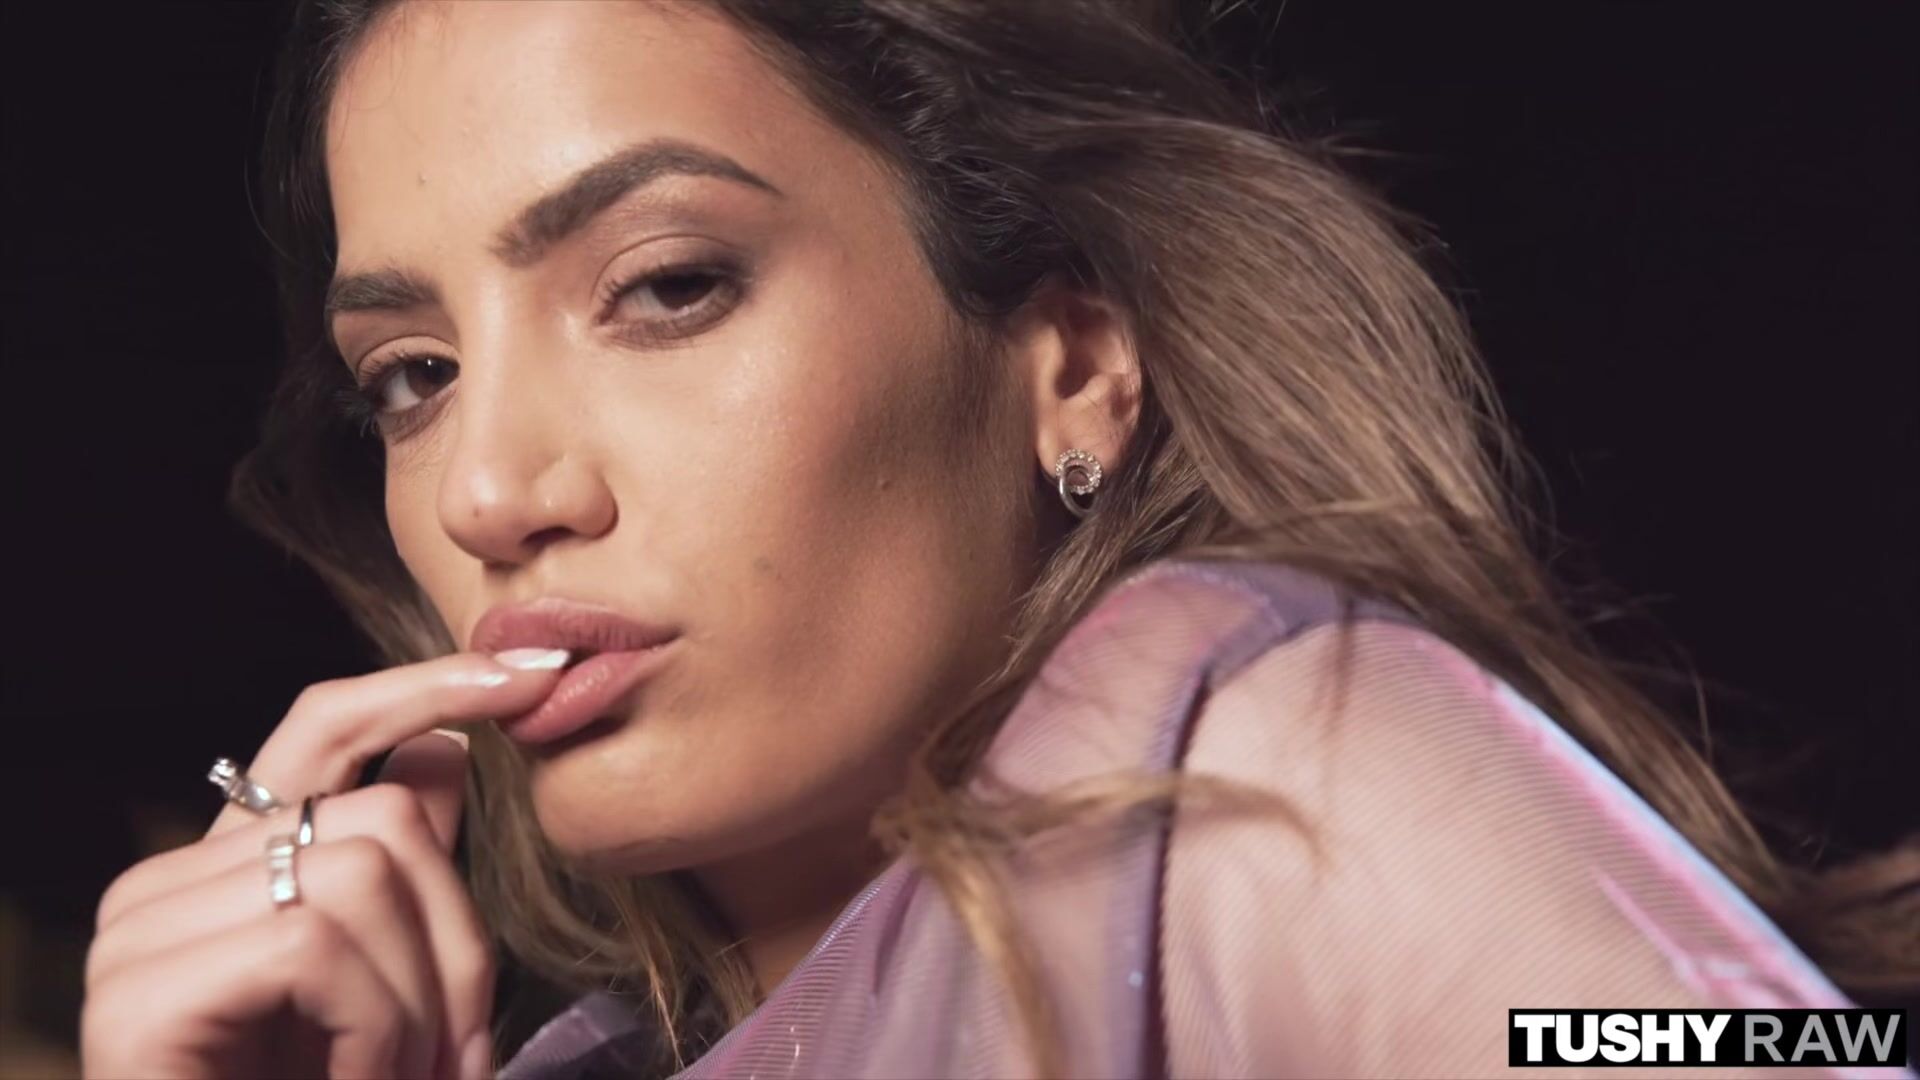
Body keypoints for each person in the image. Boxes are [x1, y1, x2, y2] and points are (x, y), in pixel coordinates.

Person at [80, 1, 1916, 1077]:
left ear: (1075, 367)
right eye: (411, 378)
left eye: (669, 285)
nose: (490, 492)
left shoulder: (1247, 776)